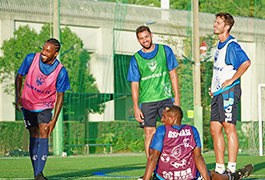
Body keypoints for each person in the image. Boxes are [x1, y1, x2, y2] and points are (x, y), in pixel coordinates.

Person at [143, 106, 254, 180]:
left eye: (164, 117)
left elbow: (153, 157)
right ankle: (233, 176)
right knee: (212, 175)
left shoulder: (162, 130)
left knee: (153, 138)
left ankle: (154, 176)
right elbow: (198, 157)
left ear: (173, 119)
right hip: (188, 177)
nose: (162, 120)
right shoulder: (193, 130)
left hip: (164, 177)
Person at [15, 38, 70, 180]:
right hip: (28, 104)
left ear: (55, 53)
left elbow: (60, 97)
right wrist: (18, 97)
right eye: (43, 49)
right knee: (33, 135)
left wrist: (54, 120)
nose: (43, 52)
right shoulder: (31, 59)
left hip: (45, 106)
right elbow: (19, 76)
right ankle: (36, 173)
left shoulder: (61, 72)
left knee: (44, 132)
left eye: (47, 51)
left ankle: (40, 173)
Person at [127, 25, 180, 161]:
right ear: (138, 40)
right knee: (149, 134)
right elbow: (135, 84)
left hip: (166, 97)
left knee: (171, 131)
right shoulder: (136, 59)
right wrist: (136, 107)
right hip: (147, 101)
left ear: (151, 35)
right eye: (141, 38)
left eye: (146, 36)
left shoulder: (165, 50)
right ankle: (151, 168)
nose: (144, 40)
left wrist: (177, 98)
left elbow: (173, 75)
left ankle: (170, 164)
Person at [210, 12, 251, 174]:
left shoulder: (232, 45)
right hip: (218, 93)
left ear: (226, 27)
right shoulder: (218, 45)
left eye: (218, 22)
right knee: (214, 129)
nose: (214, 24)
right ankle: (219, 168)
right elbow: (220, 71)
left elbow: (246, 63)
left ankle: (231, 168)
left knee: (229, 128)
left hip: (229, 93)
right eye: (215, 22)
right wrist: (214, 87)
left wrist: (231, 80)